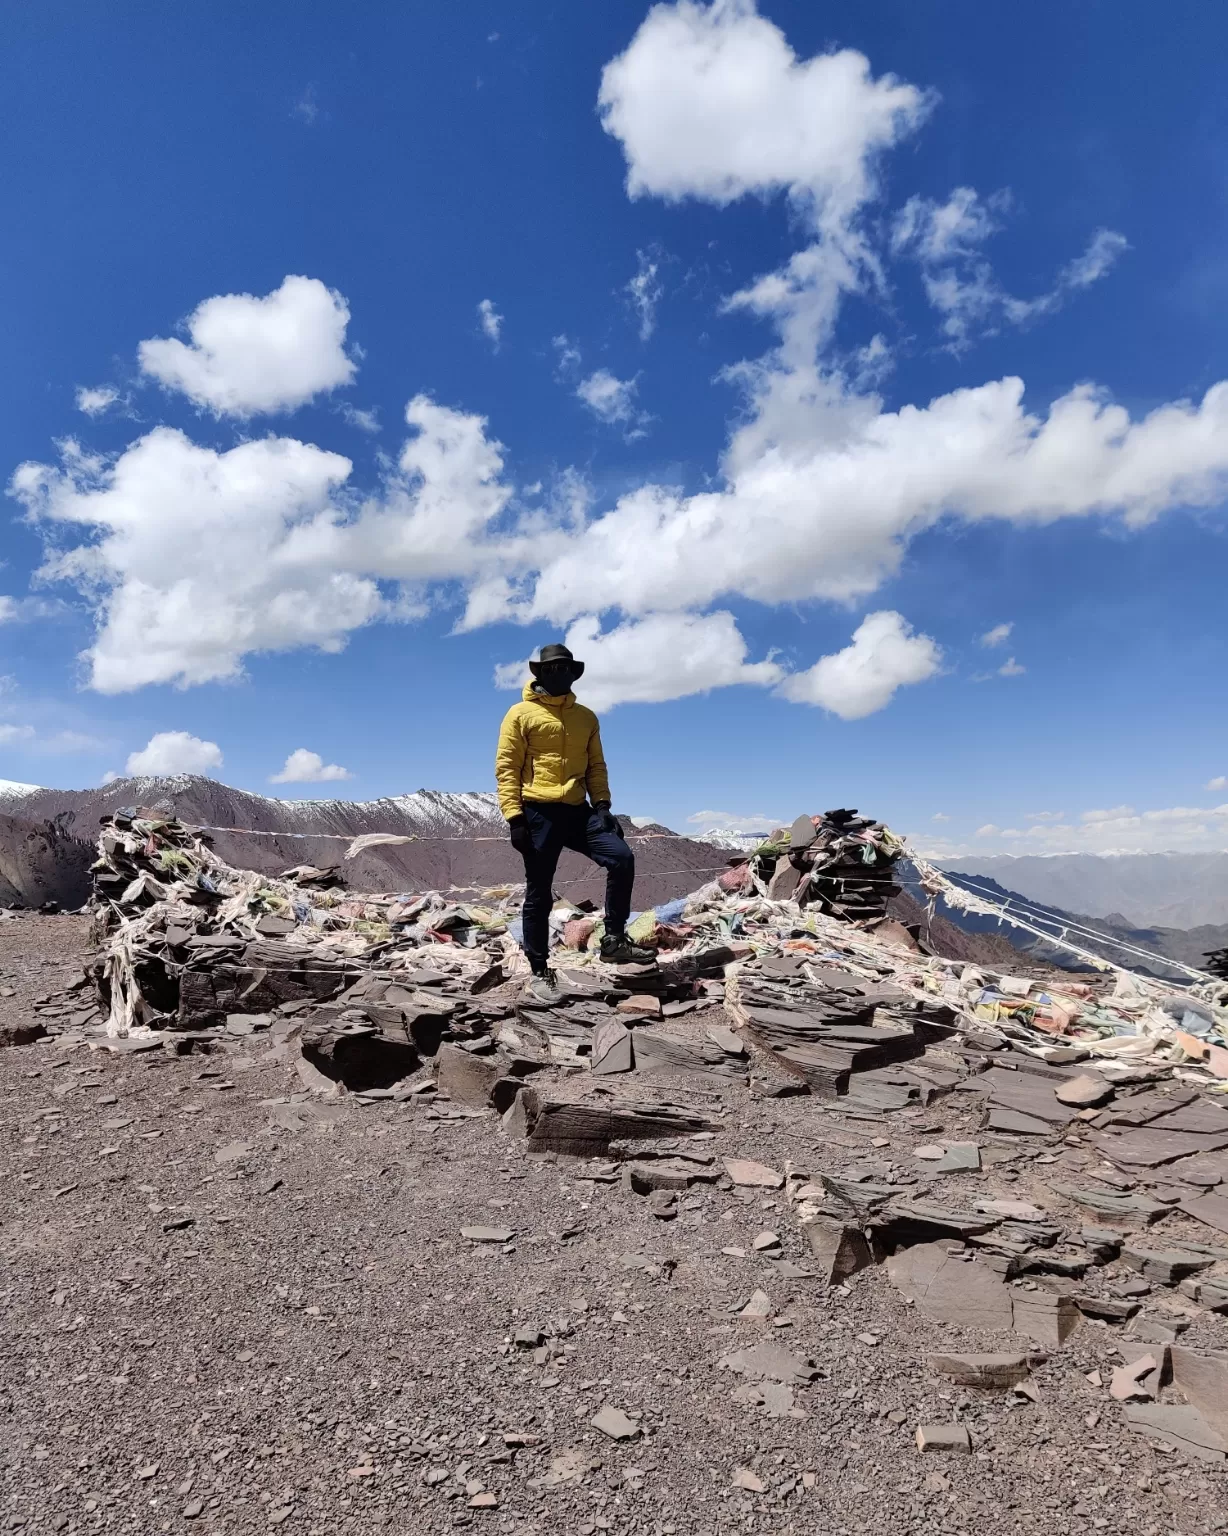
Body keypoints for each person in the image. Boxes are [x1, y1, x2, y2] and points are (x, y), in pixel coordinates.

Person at [495, 642, 655, 1002]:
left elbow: (596, 765)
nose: (559, 675)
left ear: (573, 672)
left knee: (622, 858)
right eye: (552, 670)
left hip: (578, 810)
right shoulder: (519, 714)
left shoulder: (586, 717)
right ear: (540, 673)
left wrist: (602, 805)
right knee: (539, 891)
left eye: (565, 669)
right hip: (537, 811)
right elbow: (507, 768)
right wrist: (514, 817)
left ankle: (613, 939)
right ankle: (539, 968)